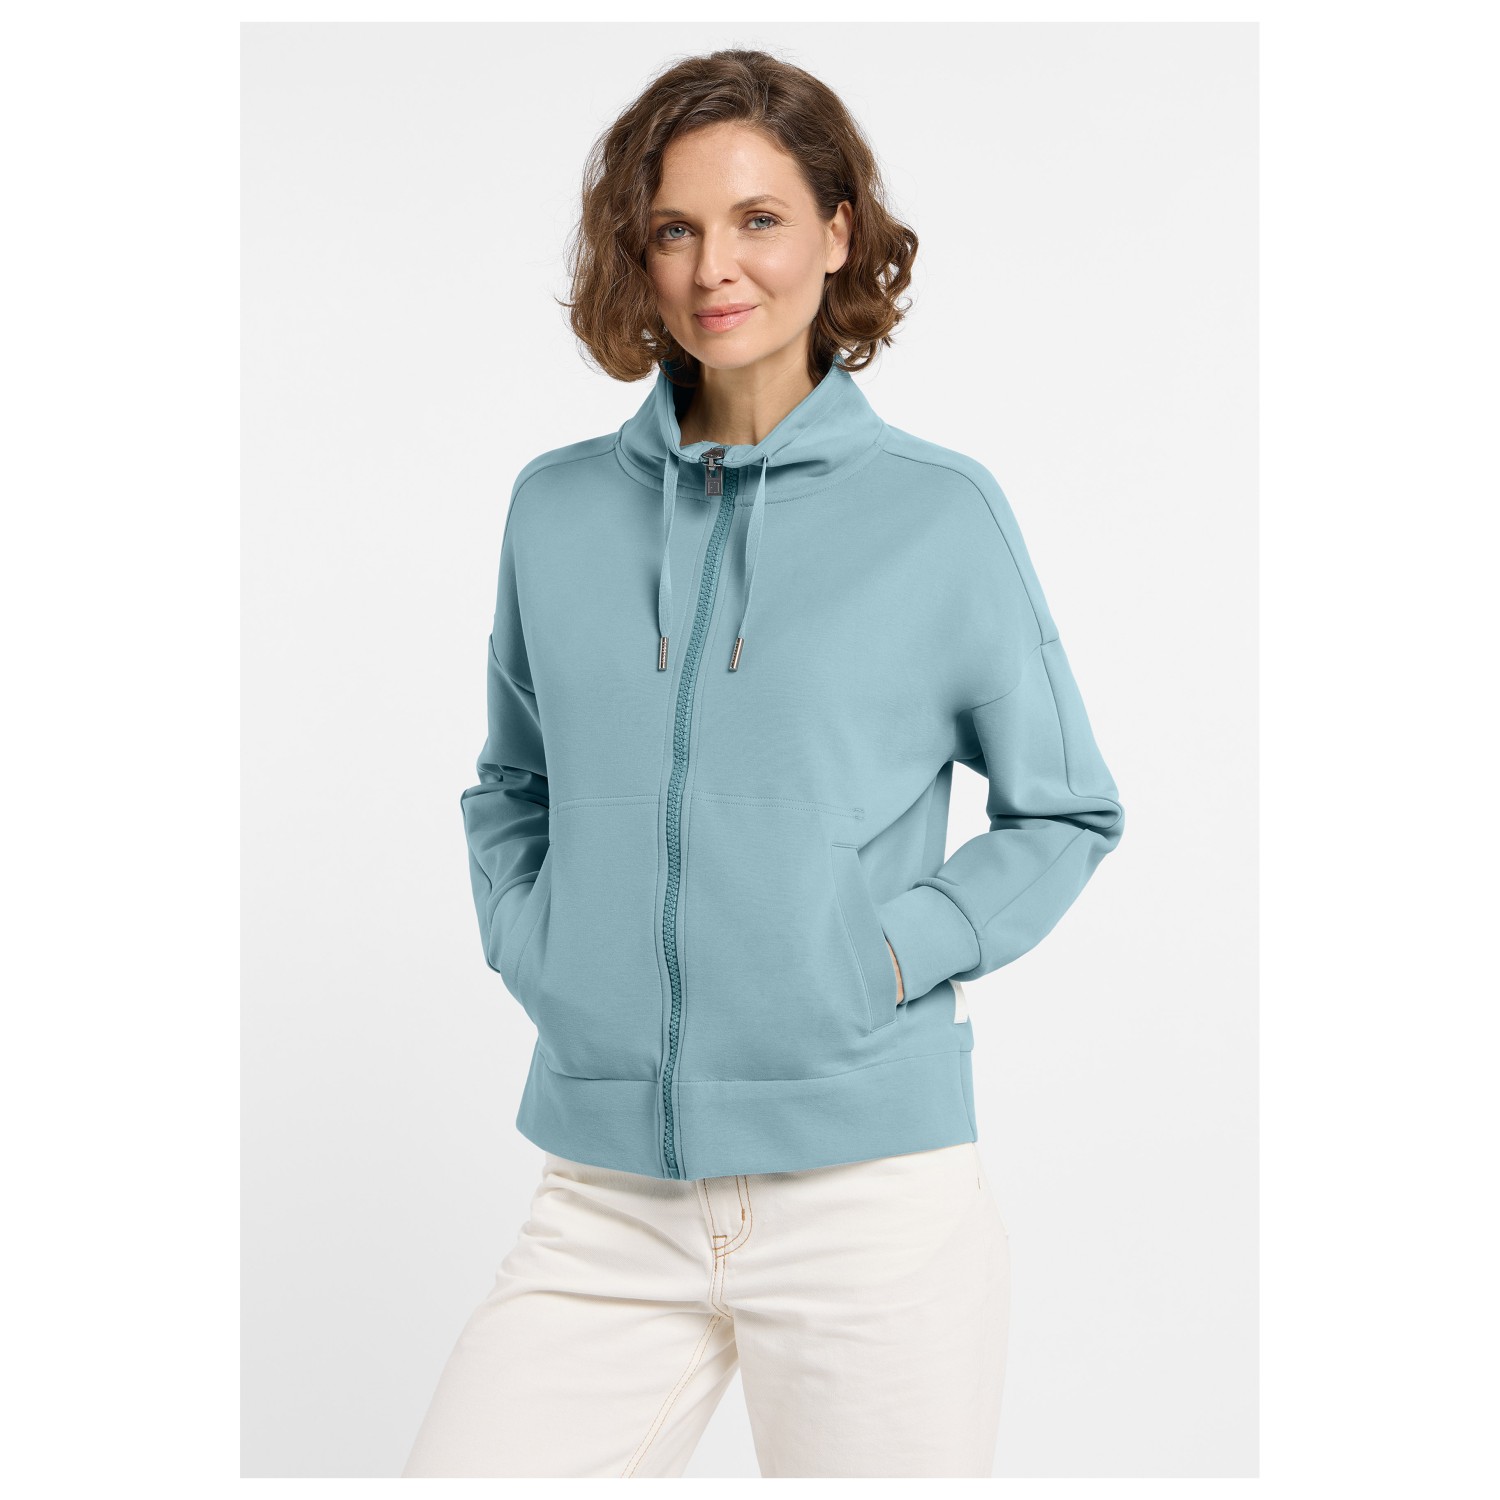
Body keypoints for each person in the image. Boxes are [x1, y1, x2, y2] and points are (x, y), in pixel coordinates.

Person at [402, 47, 1124, 1479]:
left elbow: (1065, 809)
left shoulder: (939, 516)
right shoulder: (555, 511)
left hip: (868, 1194)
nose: (714, 267)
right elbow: (514, 782)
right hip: (607, 1193)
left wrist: (884, 956)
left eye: (760, 219)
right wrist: (540, 942)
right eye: (675, 227)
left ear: (838, 232)